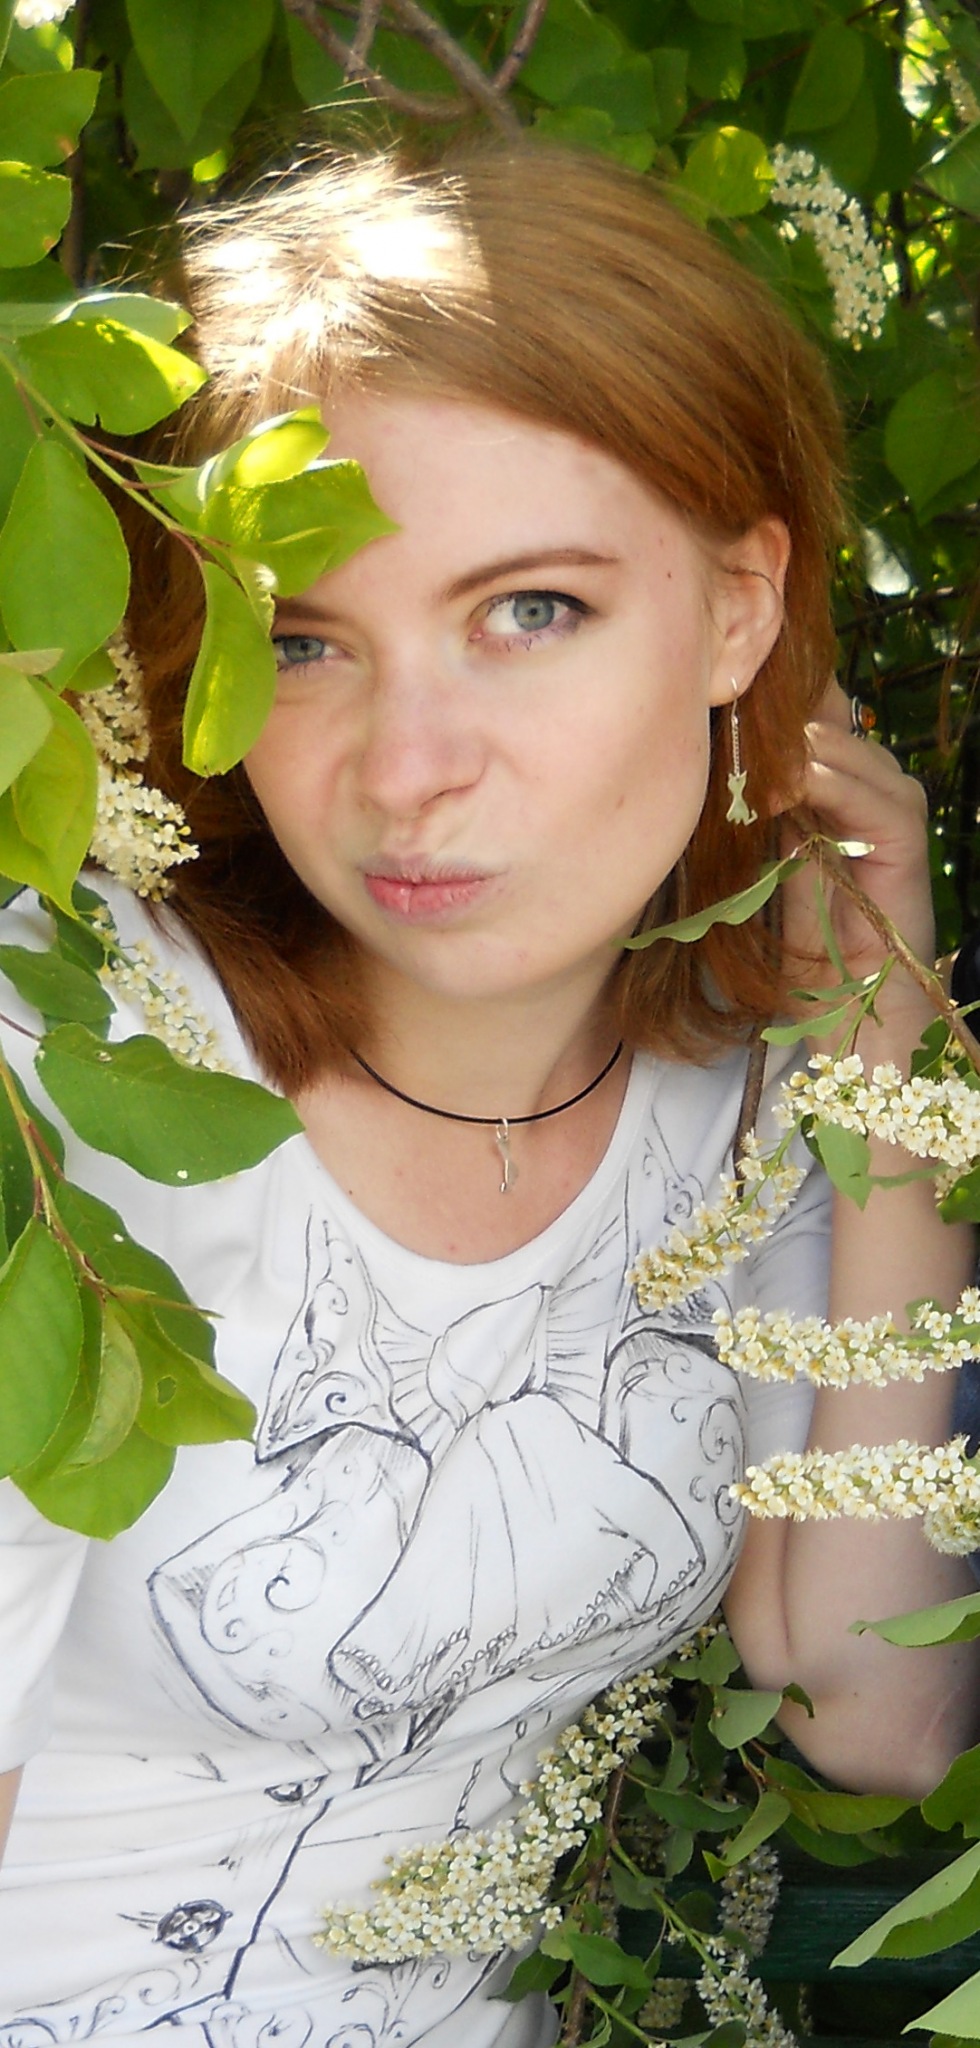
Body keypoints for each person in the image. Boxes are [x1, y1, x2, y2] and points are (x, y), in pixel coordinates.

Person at [0, 142, 974, 2046]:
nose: (408, 768)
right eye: (305, 642)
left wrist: (891, 1063)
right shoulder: (69, 1094)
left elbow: (873, 1708)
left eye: (529, 610)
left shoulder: (743, 1115)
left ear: (740, 608)